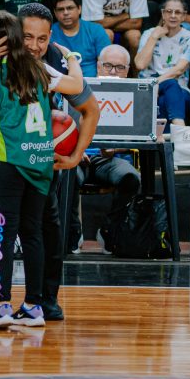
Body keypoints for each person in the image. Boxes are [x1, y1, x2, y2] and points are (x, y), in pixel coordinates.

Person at [0, 10, 86, 326]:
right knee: (33, 233)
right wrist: (72, 58)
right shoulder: (39, 68)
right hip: (39, 162)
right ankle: (35, 307)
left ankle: (1, 306)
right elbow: (76, 84)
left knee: (2, 232)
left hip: (7, 162)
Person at [72, 43, 142, 250]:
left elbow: (141, 137)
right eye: (108, 65)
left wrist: (116, 148)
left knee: (131, 178)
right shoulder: (78, 88)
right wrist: (77, 150)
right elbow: (62, 124)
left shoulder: (137, 95)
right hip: (78, 156)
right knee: (67, 176)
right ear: (98, 66)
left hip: (111, 160)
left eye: (119, 67)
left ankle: (111, 230)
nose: (113, 72)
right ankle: (72, 231)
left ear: (127, 70)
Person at [135, 0, 190, 125]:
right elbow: (140, 64)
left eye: (177, 12)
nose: (173, 16)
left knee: (169, 89)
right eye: (169, 11)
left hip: (179, 88)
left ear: (184, 16)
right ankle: (179, 129)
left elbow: (179, 70)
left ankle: (172, 132)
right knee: (166, 95)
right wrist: (154, 37)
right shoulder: (149, 33)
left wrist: (156, 83)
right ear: (163, 14)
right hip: (147, 87)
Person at [51, 0, 111, 77]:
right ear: (55, 13)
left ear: (79, 9)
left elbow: (106, 64)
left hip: (92, 82)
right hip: (60, 82)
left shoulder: (96, 30)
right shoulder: (49, 32)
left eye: (70, 8)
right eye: (60, 9)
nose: (65, 13)